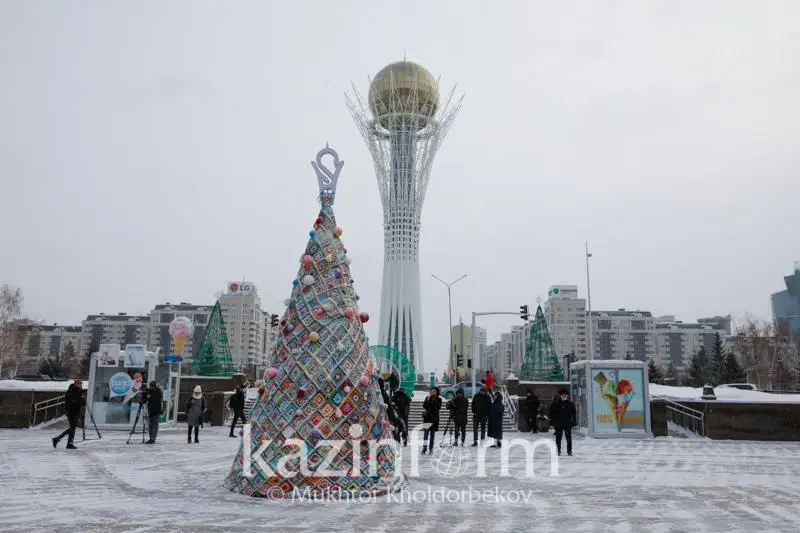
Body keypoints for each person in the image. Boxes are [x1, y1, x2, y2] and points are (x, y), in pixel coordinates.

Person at [52, 379, 83, 449]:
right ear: (76, 384)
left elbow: (76, 401)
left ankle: (63, 441)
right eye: (80, 384)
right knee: (72, 428)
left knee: (72, 428)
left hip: (74, 412)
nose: (81, 385)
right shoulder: (73, 391)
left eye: (81, 384)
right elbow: (73, 402)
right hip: (71, 412)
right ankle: (63, 441)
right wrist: (80, 401)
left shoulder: (76, 390)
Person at [549, 388, 577, 456]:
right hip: (558, 423)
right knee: (558, 437)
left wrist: (573, 422)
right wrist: (553, 422)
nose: (564, 396)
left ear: (567, 395)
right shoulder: (556, 403)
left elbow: (574, 413)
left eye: (565, 395)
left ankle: (569, 451)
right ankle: (558, 450)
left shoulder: (570, 403)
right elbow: (551, 413)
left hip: (567, 423)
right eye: (563, 395)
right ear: (560, 395)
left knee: (568, 438)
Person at [421, 387, 441, 454]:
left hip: (434, 419)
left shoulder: (439, 399)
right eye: (431, 391)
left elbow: (438, 407)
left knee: (432, 436)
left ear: (437, 392)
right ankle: (424, 448)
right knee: (425, 435)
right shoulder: (427, 398)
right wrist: (429, 399)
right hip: (427, 419)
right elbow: (424, 406)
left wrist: (434, 400)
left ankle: (431, 449)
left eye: (434, 391)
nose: (432, 392)